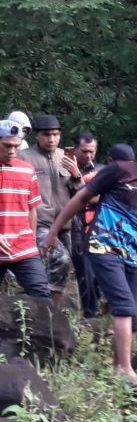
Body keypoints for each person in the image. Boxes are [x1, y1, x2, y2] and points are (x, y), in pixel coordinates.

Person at [43, 135, 137, 392]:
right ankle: (125, 371)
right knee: (124, 307)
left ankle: (118, 367)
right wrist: (54, 231)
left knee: (131, 314)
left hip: (134, 256)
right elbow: (81, 198)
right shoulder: (121, 170)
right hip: (103, 247)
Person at [19, 115, 74, 304]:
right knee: (62, 259)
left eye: (56, 134)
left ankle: (51, 311)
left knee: (66, 267)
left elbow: (81, 192)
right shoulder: (24, 158)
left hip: (66, 223)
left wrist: (76, 175)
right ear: (36, 136)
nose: (52, 139)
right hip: (40, 222)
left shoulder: (65, 156)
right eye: (46, 135)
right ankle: (44, 308)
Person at [0, 119, 52, 299]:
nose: (12, 151)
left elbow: (32, 209)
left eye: (16, 146)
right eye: (7, 146)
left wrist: (31, 237)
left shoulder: (28, 170)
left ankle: (47, 328)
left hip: (23, 246)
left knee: (42, 296)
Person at [66, 133, 102, 318]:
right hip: (74, 224)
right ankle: (89, 314)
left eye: (92, 151)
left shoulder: (103, 170)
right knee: (84, 270)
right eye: (84, 151)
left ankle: (97, 308)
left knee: (98, 271)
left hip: (98, 224)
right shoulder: (63, 170)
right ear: (75, 150)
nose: (88, 155)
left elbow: (100, 197)